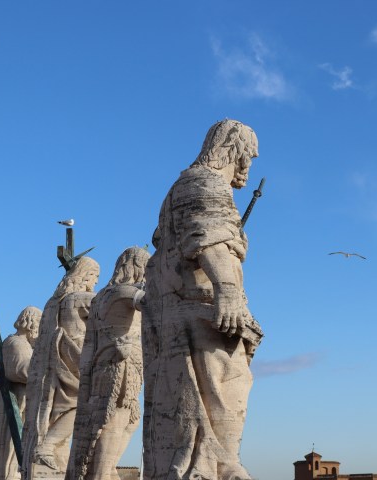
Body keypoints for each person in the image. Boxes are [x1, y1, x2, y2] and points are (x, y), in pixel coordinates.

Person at [143, 119, 263, 480]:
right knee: (225, 390)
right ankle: (219, 465)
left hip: (176, 311)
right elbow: (209, 237)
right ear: (236, 150)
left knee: (191, 403)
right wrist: (227, 290)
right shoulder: (205, 183)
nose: (249, 166)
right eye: (250, 156)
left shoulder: (180, 186)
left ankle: (216, 462)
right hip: (204, 311)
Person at [67, 247, 149, 480]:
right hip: (121, 364)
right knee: (114, 419)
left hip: (103, 364)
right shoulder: (123, 292)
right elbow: (151, 302)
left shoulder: (101, 295)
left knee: (128, 419)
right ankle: (102, 472)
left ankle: (106, 468)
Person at [22, 257, 99, 478]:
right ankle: (47, 446)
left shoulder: (52, 302)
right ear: (85, 276)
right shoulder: (77, 298)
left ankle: (48, 448)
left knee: (60, 409)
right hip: (71, 356)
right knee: (81, 404)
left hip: (51, 363)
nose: (94, 282)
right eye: (94, 277)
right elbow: (105, 302)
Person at [0, 306, 41, 480]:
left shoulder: (25, 344)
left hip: (22, 402)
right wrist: (44, 371)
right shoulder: (16, 343)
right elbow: (17, 370)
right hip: (15, 403)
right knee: (10, 457)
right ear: (32, 323)